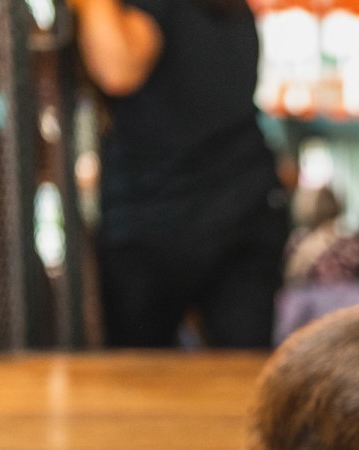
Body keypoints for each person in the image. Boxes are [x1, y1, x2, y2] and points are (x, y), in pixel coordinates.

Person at [71, 0, 287, 348]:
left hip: (159, 216)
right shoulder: (232, 10)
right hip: (245, 203)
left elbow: (118, 69)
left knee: (138, 378)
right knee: (242, 372)